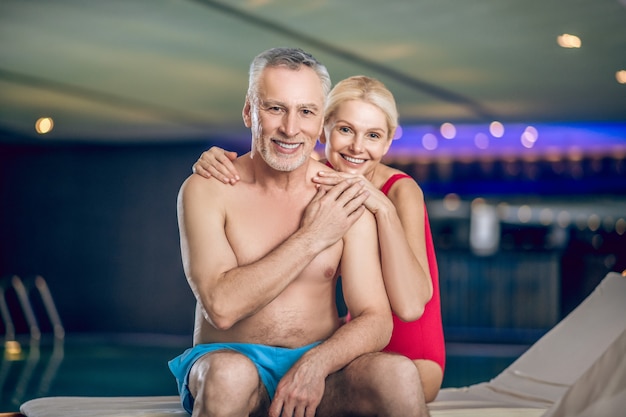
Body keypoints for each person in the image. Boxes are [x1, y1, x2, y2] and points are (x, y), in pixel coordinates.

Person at [169, 47, 427, 417]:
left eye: (305, 111)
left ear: (319, 119)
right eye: (275, 108)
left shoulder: (342, 195)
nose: (290, 128)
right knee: (229, 375)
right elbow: (222, 308)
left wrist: (316, 364)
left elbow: (376, 318)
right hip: (229, 359)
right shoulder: (209, 188)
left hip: (318, 363)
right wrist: (313, 236)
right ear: (249, 112)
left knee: (398, 374)